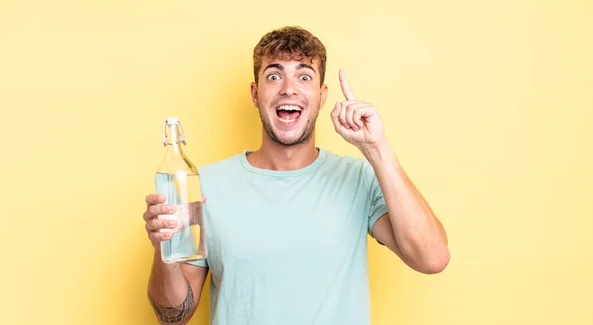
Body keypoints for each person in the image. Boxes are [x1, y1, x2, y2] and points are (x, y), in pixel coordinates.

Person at [142, 26, 450, 325]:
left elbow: (431, 258)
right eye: (274, 76)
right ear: (254, 93)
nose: (288, 88)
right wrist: (163, 247)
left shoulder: (357, 178)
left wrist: (377, 148)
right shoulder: (206, 186)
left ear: (322, 94)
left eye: (304, 76)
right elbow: (173, 317)